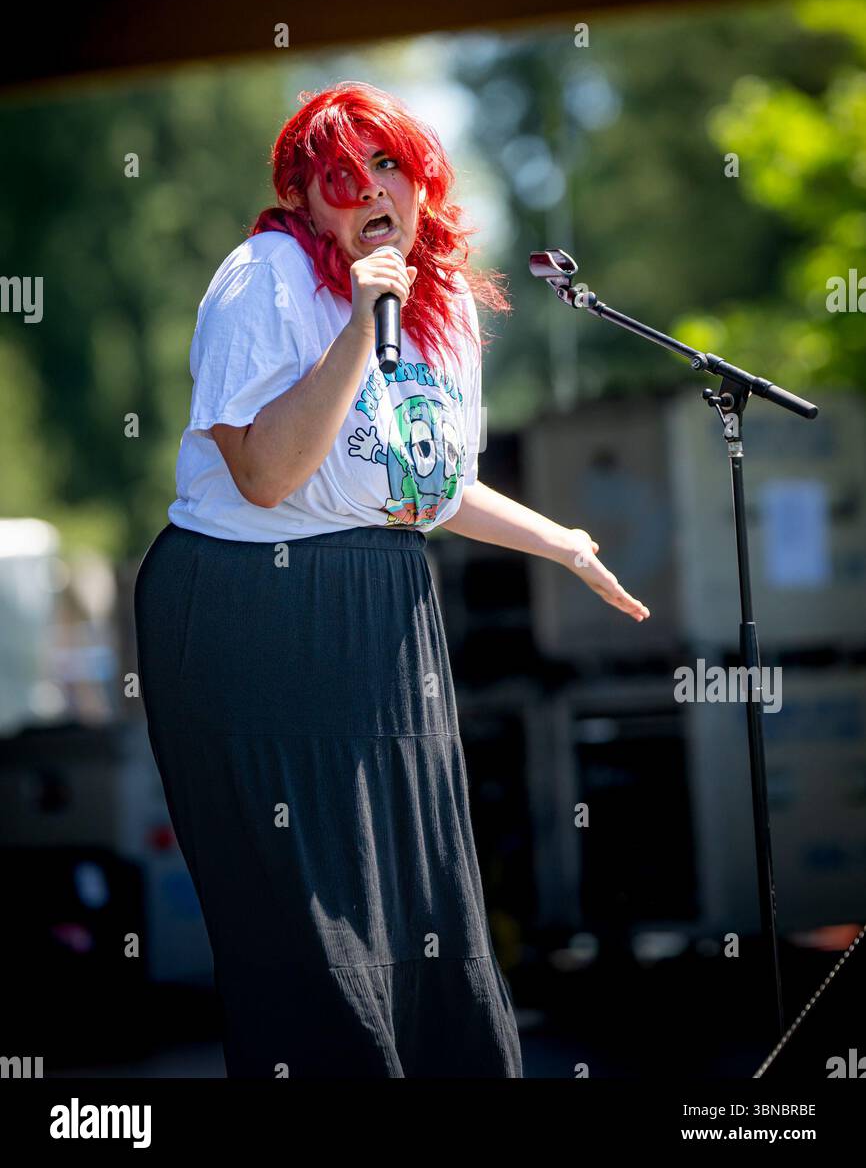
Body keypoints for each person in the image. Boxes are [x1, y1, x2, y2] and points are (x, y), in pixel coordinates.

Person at [133, 81, 649, 1080]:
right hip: (249, 610)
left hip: (382, 617)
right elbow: (270, 474)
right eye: (339, 176)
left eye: (388, 166)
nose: (367, 188)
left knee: (420, 909)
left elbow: (428, 486)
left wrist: (563, 542)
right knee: (314, 933)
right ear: (303, 199)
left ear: (423, 184)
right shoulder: (265, 278)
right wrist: (357, 320)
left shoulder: (442, 304)